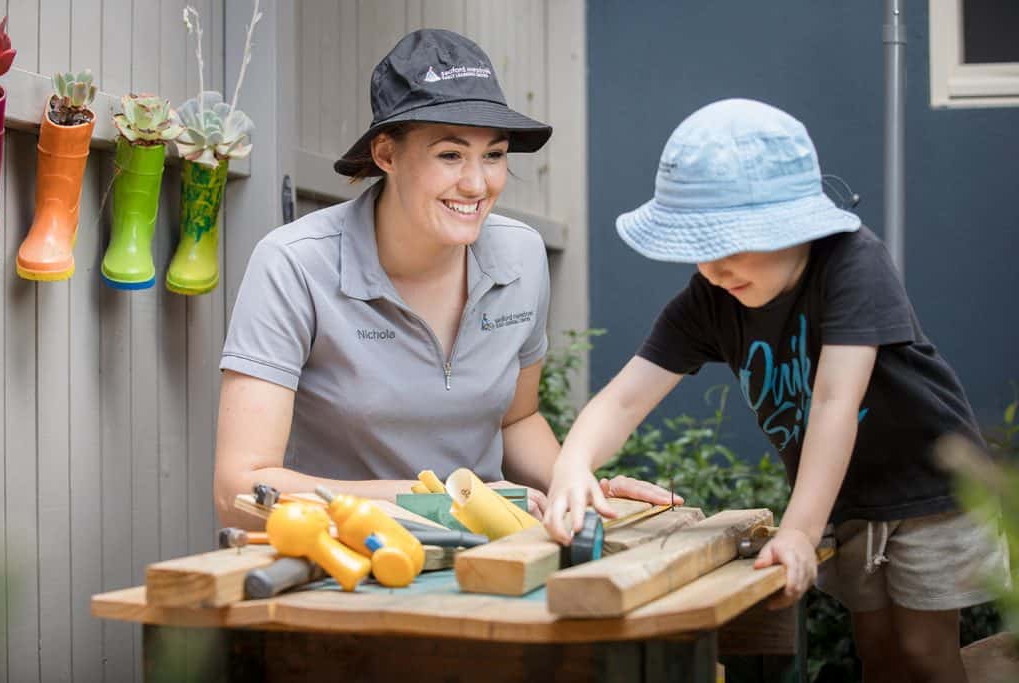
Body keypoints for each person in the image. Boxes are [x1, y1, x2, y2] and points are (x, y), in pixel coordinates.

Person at [543, 99, 1008, 683]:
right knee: (878, 649)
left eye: (733, 243)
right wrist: (572, 464)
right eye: (699, 246)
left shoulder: (853, 263)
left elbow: (836, 403)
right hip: (849, 499)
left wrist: (799, 531)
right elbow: (624, 399)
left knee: (923, 649)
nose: (713, 267)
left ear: (795, 227)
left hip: (930, 488)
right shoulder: (711, 298)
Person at [214, 29, 672, 530]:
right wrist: (450, 501)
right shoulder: (294, 264)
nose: (478, 184)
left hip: (493, 551)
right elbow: (239, 486)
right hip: (341, 561)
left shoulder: (520, 254)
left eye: (494, 155)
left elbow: (517, 420)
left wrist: (577, 483)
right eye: (450, 155)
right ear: (386, 154)